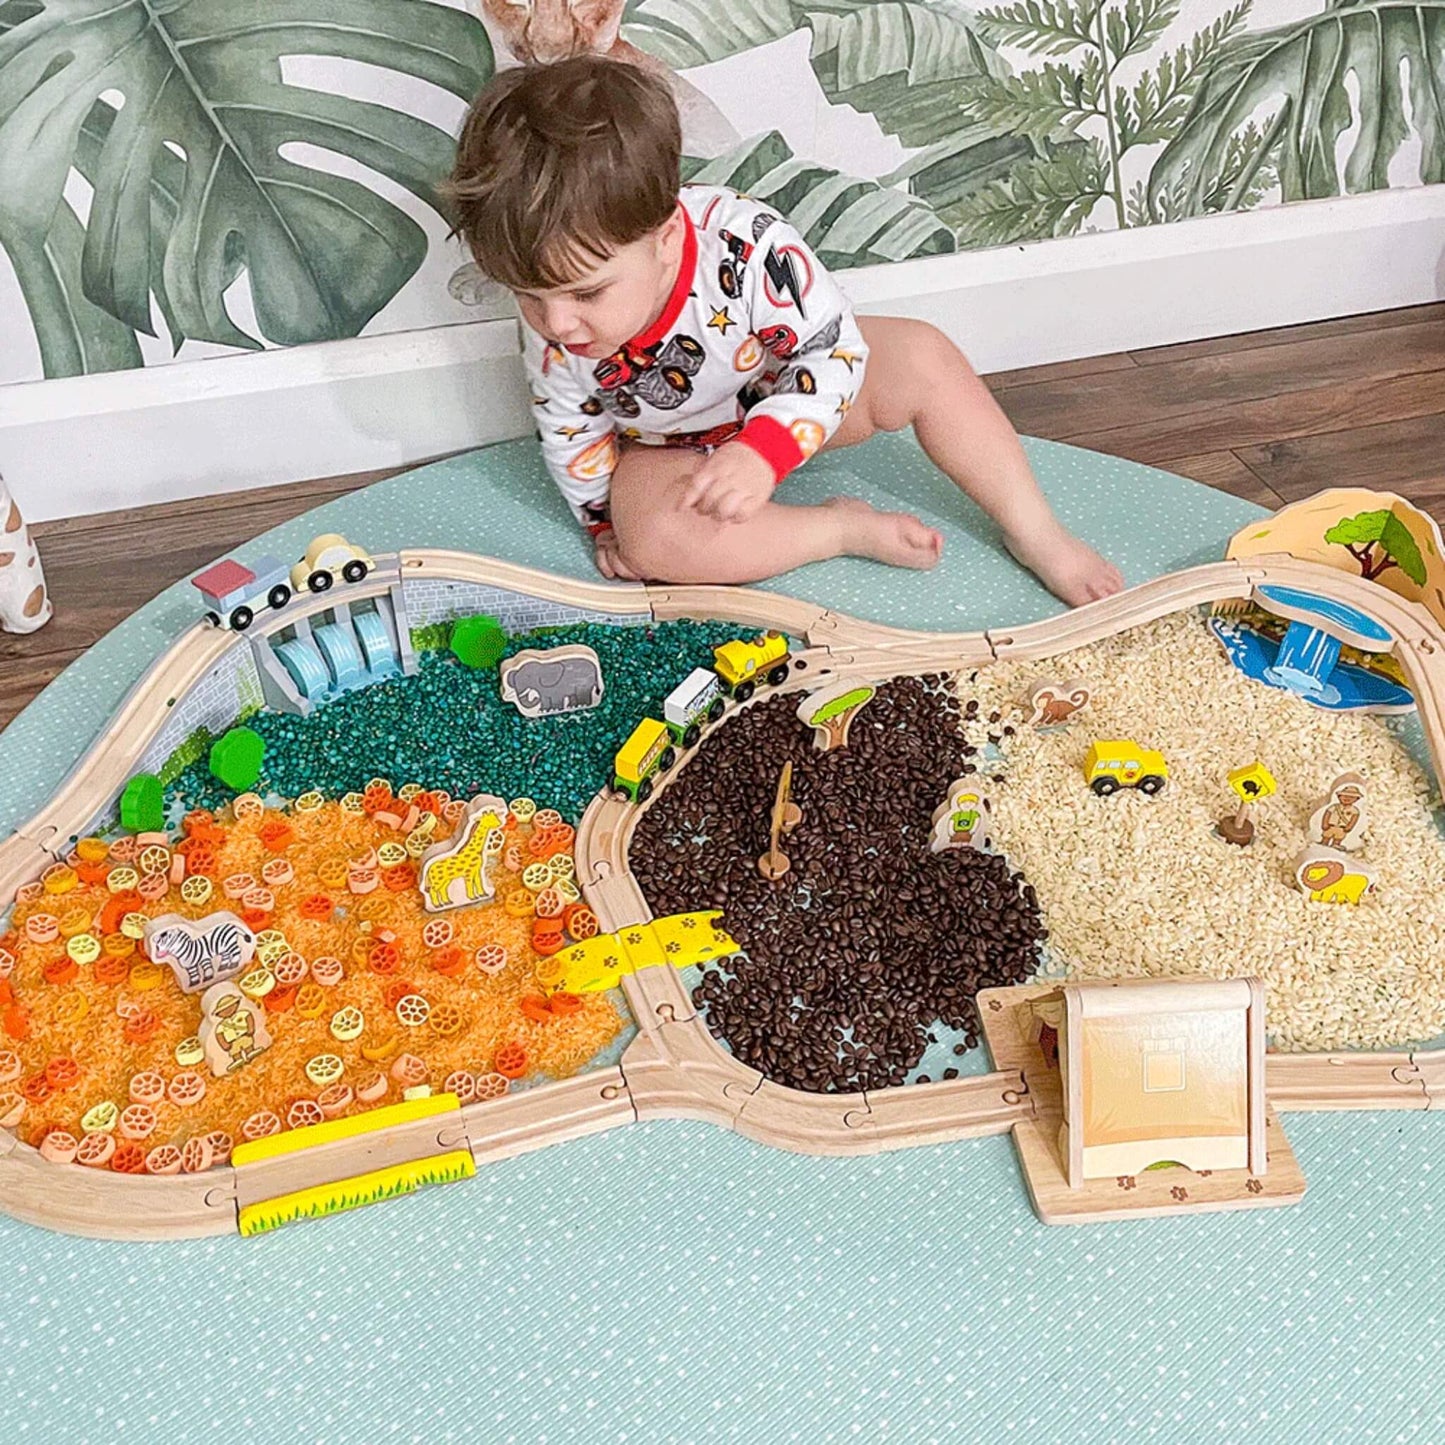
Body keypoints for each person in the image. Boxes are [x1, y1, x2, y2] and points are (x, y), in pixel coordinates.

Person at [444, 55, 1123, 604]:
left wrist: (764, 450)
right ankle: (834, 527)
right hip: (664, 446)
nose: (557, 323)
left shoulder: (745, 242)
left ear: (664, 237)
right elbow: (571, 424)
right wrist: (603, 524)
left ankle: (1034, 530)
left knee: (923, 355)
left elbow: (831, 351)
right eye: (529, 297)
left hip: (785, 398)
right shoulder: (557, 312)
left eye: (586, 292)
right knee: (654, 543)